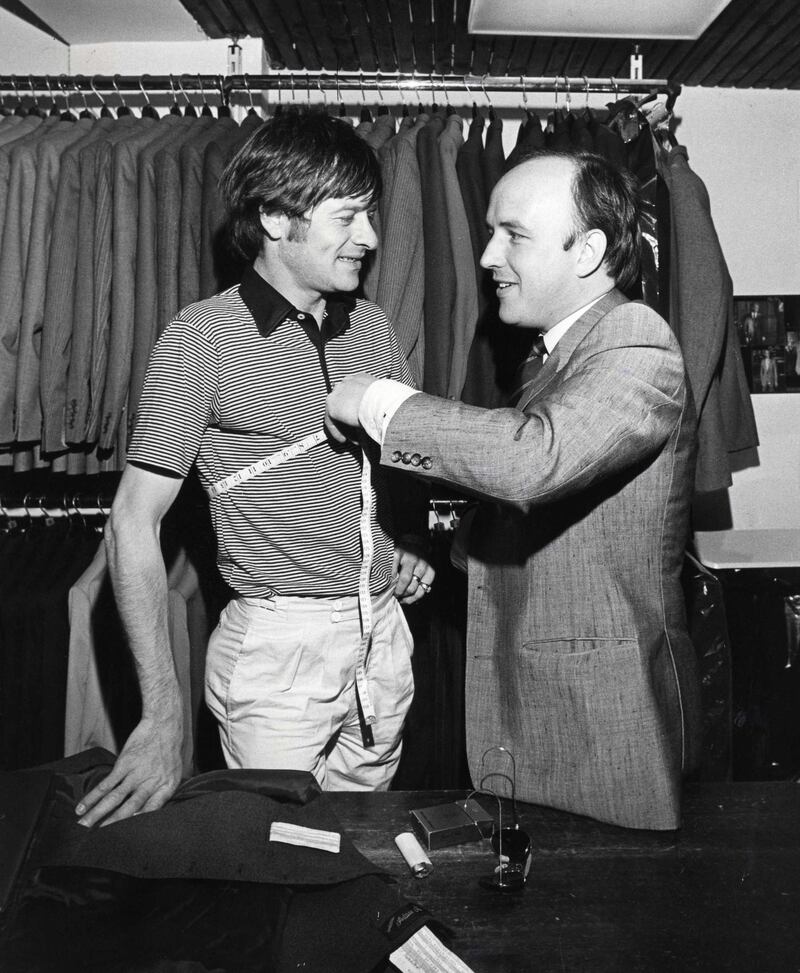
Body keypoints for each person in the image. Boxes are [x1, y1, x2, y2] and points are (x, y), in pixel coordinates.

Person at [76, 109, 434, 828]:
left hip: (382, 637)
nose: (368, 237)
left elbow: (399, 461)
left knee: (362, 851)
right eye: (347, 216)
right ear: (275, 217)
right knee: (281, 864)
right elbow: (131, 521)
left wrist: (409, 540)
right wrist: (160, 711)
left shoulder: (374, 326)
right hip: (277, 652)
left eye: (370, 214)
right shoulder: (201, 338)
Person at [326, 150, 702, 831]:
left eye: (513, 235)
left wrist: (383, 403)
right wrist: (445, 542)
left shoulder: (635, 340)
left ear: (587, 250)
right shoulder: (552, 357)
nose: (489, 256)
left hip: (604, 722)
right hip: (544, 711)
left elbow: (534, 461)